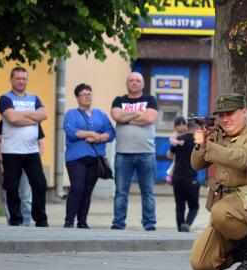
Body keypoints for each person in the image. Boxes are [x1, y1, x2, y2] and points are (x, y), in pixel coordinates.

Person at [189, 93, 247, 270]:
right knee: (200, 264)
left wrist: (210, 147)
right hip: (229, 209)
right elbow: (196, 165)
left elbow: (243, 159)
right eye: (221, 115)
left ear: (244, 112)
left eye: (230, 113)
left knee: (220, 212)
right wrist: (201, 142)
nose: (224, 119)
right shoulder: (218, 136)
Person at [0, 66, 49, 227]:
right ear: (11, 79)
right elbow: (12, 119)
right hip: (11, 152)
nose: (21, 81)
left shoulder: (35, 98)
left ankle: (40, 220)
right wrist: (34, 118)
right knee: (12, 188)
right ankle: (16, 220)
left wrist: (22, 114)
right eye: (18, 78)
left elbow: (44, 114)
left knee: (40, 185)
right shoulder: (5, 98)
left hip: (31, 151)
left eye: (23, 78)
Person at [110, 72, 159, 231]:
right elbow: (117, 116)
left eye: (138, 80)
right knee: (121, 192)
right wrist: (138, 114)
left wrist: (127, 118)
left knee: (148, 192)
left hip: (146, 153)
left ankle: (149, 224)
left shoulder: (150, 100)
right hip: (123, 154)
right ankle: (118, 223)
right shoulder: (119, 100)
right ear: (127, 83)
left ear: (143, 84)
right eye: (131, 80)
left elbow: (150, 119)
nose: (134, 83)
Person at [63, 83, 115, 229]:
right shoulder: (71, 114)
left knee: (87, 190)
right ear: (77, 98)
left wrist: (99, 138)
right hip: (76, 158)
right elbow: (71, 132)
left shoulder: (100, 114)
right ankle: (69, 221)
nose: (87, 96)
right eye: (83, 94)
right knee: (77, 188)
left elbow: (111, 133)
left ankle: (82, 222)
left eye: (89, 94)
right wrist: (91, 133)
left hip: (95, 158)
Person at [0, 121, 45, 226]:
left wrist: (35, 162)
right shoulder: (7, 119)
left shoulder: (33, 121)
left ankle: (26, 223)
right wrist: (1, 156)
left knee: (26, 196)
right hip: (11, 160)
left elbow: (41, 142)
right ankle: (13, 221)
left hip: (29, 162)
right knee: (11, 190)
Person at [167, 117, 199, 232]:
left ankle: (180, 230)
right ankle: (187, 224)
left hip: (177, 179)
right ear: (196, 129)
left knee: (180, 207)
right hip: (191, 179)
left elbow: (169, 155)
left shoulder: (179, 139)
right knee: (194, 206)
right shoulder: (197, 142)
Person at [165, 117, 188, 183]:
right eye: (179, 125)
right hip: (176, 153)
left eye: (183, 124)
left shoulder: (186, 132)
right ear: (175, 127)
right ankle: (169, 175)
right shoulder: (175, 134)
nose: (181, 127)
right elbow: (171, 140)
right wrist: (178, 142)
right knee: (175, 163)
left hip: (185, 153)